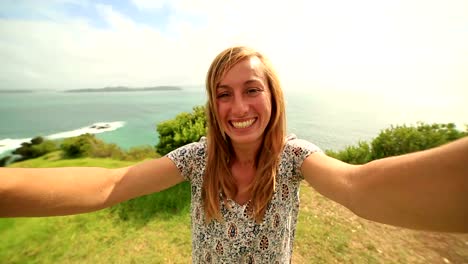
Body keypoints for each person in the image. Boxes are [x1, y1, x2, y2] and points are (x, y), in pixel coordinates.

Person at [1, 46, 467, 263]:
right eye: (223, 94)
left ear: (273, 98)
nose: (238, 107)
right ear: (212, 104)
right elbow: (111, 184)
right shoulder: (196, 159)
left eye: (251, 90)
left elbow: (358, 187)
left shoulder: (294, 158)